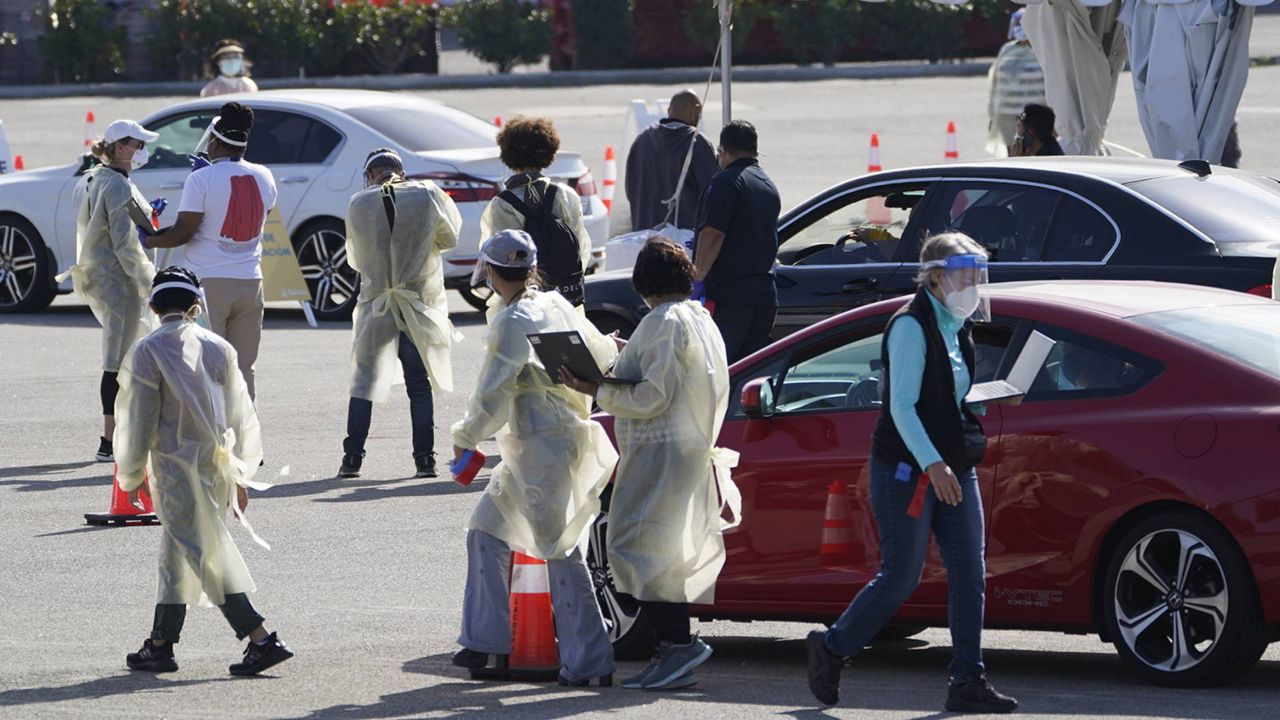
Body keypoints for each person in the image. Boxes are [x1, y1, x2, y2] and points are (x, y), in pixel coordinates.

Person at [805, 233, 1019, 714]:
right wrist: (934, 464)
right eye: (967, 275)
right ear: (938, 276)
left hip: (949, 466)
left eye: (978, 276)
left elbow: (947, 392)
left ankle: (967, 680)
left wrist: (988, 397)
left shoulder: (957, 320)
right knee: (900, 577)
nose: (974, 285)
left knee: (970, 574)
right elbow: (900, 407)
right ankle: (832, 647)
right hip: (907, 468)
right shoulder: (910, 326)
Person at [558, 238, 738, 690]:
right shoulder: (699, 318)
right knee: (661, 554)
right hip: (687, 449)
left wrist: (593, 388)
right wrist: (624, 354)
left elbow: (652, 395)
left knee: (633, 549)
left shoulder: (661, 321)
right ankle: (674, 649)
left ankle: (679, 645)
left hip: (660, 451)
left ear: (644, 283)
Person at [451, 229, 618, 687]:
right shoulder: (556, 304)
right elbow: (601, 351)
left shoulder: (511, 321)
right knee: (485, 532)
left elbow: (492, 393)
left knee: (562, 552)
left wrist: (465, 437)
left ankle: (591, 664)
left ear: (489, 271)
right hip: (537, 448)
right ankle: (487, 645)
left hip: (546, 450)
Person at [114, 266, 293, 677]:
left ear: (154, 306)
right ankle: (160, 643)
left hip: (176, 469)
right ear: (196, 305)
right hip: (217, 468)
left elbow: (139, 418)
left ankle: (260, 637)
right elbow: (243, 417)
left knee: (203, 555)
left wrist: (131, 470)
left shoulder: (147, 350)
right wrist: (241, 476)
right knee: (179, 554)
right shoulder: (219, 347)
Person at [338, 148, 462, 480]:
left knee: (364, 382)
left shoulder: (359, 204)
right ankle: (425, 460)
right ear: (401, 172)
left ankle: (352, 459)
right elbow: (449, 238)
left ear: (369, 175)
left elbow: (356, 258)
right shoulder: (426, 196)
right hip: (417, 303)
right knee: (418, 386)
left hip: (376, 305)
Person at [146, 103, 278, 401]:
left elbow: (183, 233)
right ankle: (246, 443)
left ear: (214, 142)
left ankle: (208, 440)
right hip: (250, 282)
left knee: (205, 368)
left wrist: (150, 239)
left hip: (208, 284)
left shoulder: (200, 179)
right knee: (243, 368)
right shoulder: (264, 176)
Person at [61, 119, 161, 462]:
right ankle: (110, 440)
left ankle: (117, 434)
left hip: (105, 277)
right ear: (119, 147)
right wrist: (151, 282)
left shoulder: (100, 177)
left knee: (119, 357)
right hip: (119, 281)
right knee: (117, 360)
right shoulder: (117, 184)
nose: (141, 151)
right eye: (137, 144)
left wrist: (148, 216)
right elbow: (125, 243)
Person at [692, 120, 781, 364]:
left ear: (723, 151)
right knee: (751, 370)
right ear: (755, 150)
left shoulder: (725, 182)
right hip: (764, 297)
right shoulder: (766, 185)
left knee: (722, 368)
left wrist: (696, 279)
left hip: (732, 299)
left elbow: (713, 235)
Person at [480, 116, 591, 309]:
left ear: (507, 155)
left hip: (524, 302)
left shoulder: (502, 204)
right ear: (550, 151)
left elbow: (498, 260)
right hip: (566, 299)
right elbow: (581, 246)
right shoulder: (565, 195)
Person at [625, 90, 718, 231]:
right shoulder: (697, 143)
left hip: (646, 242)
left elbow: (630, 191)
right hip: (684, 246)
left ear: (669, 110)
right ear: (696, 111)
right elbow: (714, 197)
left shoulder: (641, 141)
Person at [986, 10, 1047, 157]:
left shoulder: (1044, 49)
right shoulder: (1007, 50)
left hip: (1035, 121)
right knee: (1013, 158)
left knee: (1037, 160)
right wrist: (993, 116)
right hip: (1007, 120)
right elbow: (995, 85)